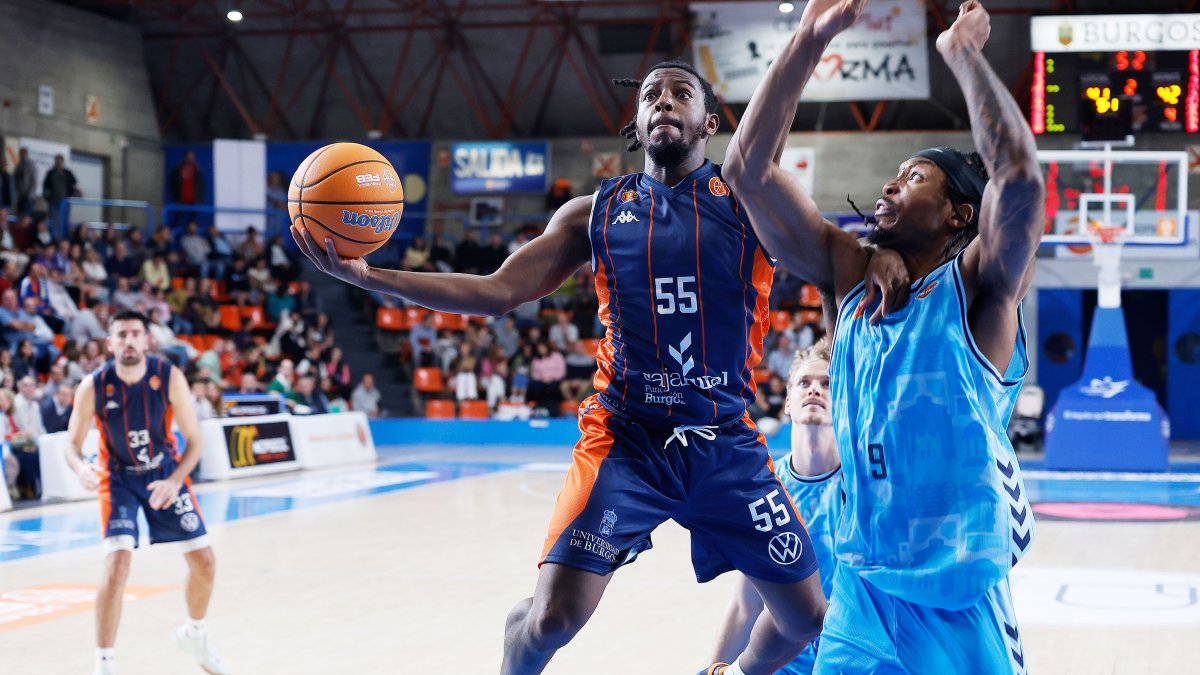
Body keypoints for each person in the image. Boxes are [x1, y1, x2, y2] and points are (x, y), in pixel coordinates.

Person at [293, 57, 835, 675]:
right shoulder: (594, 213)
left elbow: (824, 260)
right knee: (552, 621)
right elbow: (500, 290)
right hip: (625, 442)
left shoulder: (745, 202)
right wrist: (370, 278)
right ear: (635, 121)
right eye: (650, 95)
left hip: (725, 445)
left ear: (709, 120)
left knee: (805, 619)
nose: (662, 102)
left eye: (679, 93)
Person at [721, 1, 1043, 673]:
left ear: (959, 213)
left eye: (915, 174)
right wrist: (809, 38)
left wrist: (962, 54)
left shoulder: (981, 289)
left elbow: (1019, 178)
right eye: (894, 173)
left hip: (960, 597)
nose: (891, 182)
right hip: (862, 590)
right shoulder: (850, 277)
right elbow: (747, 171)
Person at [64, 310, 228, 675]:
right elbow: (71, 445)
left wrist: (174, 481)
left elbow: (196, 443)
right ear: (110, 344)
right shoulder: (93, 385)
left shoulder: (168, 377)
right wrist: (80, 467)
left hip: (164, 472)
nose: (129, 341)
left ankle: (195, 634)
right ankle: (104, 664)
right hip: (118, 477)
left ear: (147, 340)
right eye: (121, 335)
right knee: (117, 564)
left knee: (205, 563)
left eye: (135, 334)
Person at [710, 338, 841, 675]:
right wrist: (714, 667)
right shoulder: (762, 486)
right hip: (783, 665)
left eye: (827, 384)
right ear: (787, 402)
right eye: (805, 382)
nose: (815, 390)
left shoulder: (863, 485)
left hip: (850, 661)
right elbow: (745, 604)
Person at [42, 154, 78, 233]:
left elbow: (74, 183)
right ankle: (55, 238)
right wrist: (47, 197)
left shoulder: (67, 173)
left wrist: (73, 192)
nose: (58, 163)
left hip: (65, 201)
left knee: (64, 220)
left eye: (60, 161)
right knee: (54, 220)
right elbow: (45, 186)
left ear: (62, 162)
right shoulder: (51, 173)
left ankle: (64, 238)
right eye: (57, 161)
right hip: (53, 201)